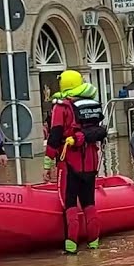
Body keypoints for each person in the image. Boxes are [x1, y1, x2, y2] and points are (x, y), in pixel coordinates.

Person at [44, 70, 107, 254]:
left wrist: (47, 163)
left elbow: (55, 136)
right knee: (89, 203)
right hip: (91, 161)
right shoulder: (91, 105)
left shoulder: (62, 107)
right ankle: (94, 245)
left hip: (70, 161)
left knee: (70, 203)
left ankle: (71, 249)